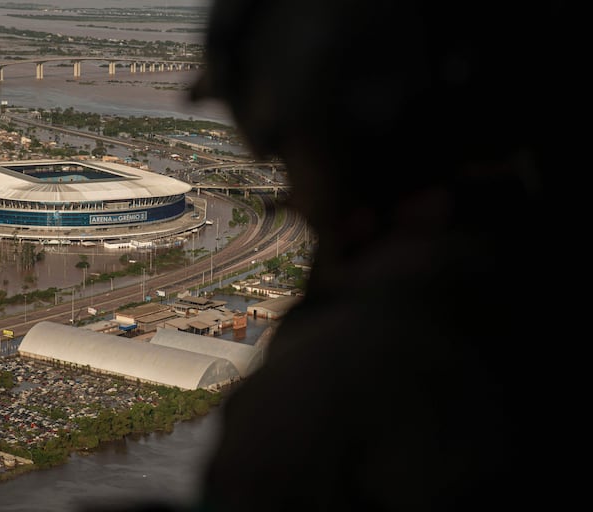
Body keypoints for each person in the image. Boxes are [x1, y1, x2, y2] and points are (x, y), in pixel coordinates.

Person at [183, 1, 571, 511]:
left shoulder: (339, 371)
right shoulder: (527, 269)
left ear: (341, 139)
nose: (290, 191)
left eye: (284, 152)